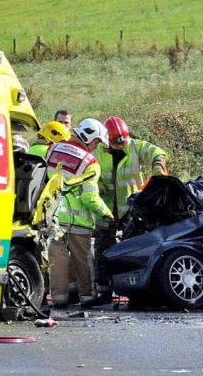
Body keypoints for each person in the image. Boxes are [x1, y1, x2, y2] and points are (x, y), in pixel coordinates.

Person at [92, 116, 168, 304]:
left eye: (123, 142)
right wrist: (97, 185)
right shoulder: (98, 152)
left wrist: (158, 164)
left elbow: (158, 153)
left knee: (133, 250)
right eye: (117, 143)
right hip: (105, 208)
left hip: (130, 209)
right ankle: (104, 290)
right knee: (102, 249)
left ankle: (134, 290)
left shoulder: (134, 146)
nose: (121, 146)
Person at [44, 118, 114, 309]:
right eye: (96, 142)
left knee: (57, 260)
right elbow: (89, 198)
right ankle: (87, 297)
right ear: (89, 137)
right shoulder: (90, 162)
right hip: (79, 221)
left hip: (54, 218)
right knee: (83, 260)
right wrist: (107, 214)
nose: (95, 147)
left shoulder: (53, 149)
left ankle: (59, 298)